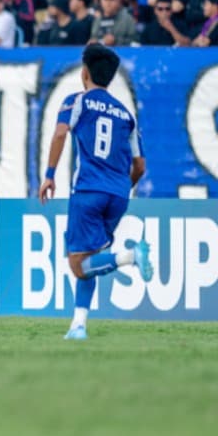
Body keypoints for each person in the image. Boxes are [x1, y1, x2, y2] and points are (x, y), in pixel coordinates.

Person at [39, 44, 152, 341]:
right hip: (118, 195)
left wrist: (49, 176)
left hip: (88, 190)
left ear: (84, 72)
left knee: (78, 265)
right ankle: (78, 326)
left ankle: (129, 256)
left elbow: (61, 133)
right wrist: (122, 187)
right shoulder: (127, 114)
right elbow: (140, 165)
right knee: (90, 260)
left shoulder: (77, 101)